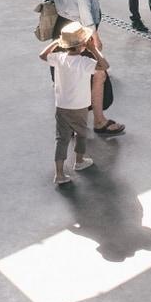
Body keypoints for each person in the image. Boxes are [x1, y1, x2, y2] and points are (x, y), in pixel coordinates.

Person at [53, 0, 124, 137]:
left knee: (71, 75)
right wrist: (94, 35)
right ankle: (99, 121)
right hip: (80, 29)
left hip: (63, 24)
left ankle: (73, 123)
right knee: (98, 72)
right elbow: (84, 5)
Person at [39, 22, 107, 186]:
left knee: (61, 139)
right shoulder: (85, 62)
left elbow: (42, 56)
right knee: (81, 134)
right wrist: (94, 49)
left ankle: (59, 173)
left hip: (61, 106)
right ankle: (79, 161)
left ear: (65, 45)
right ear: (83, 45)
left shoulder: (59, 58)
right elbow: (105, 65)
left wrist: (55, 42)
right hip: (79, 107)